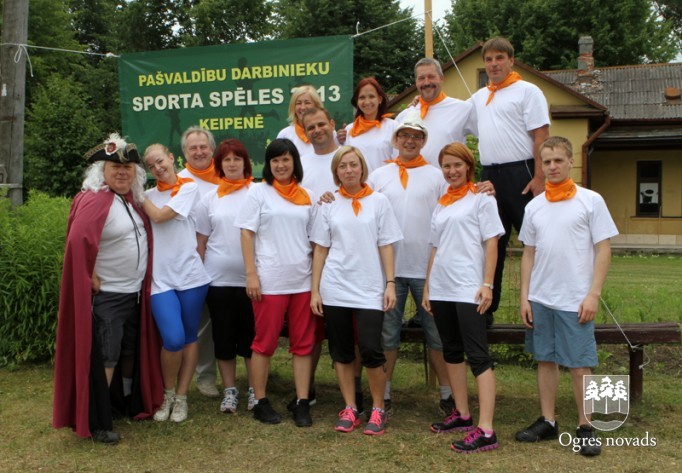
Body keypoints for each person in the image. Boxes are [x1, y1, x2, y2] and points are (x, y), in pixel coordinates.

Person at [53, 133, 163, 444]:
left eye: (127, 168)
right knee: (107, 355)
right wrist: (87, 273)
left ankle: (122, 401)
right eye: (115, 167)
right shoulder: (94, 200)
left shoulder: (130, 201)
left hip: (134, 293)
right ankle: (98, 419)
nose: (122, 172)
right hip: (109, 296)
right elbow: (77, 242)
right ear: (102, 171)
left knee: (129, 351)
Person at [516, 136, 618, 457]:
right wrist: (524, 297)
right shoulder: (534, 206)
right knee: (545, 359)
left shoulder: (591, 201)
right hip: (541, 298)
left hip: (576, 299)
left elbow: (604, 249)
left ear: (571, 162)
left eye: (558, 160)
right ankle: (548, 420)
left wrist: (593, 294)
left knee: (579, 365)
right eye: (546, 162)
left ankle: (586, 426)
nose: (552, 166)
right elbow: (528, 253)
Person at [310, 146, 402, 435]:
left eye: (353, 164)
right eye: (342, 166)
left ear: (362, 168)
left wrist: (390, 283)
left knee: (372, 349)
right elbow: (320, 249)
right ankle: (350, 407)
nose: (348, 170)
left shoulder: (379, 202)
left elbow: (386, 244)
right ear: (336, 172)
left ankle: (377, 409)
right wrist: (315, 291)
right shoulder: (328, 203)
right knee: (341, 351)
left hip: (369, 287)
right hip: (335, 286)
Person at [366, 113, 453, 415]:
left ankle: (447, 394)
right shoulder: (379, 175)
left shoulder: (436, 176)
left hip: (427, 270)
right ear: (396, 139)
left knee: (437, 335)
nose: (410, 141)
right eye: (404, 135)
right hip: (389, 271)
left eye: (416, 136)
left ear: (423, 142)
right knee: (388, 335)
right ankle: (385, 394)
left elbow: (451, 210)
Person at [422, 142, 504, 454]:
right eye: (446, 166)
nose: (452, 171)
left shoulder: (482, 199)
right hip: (442, 288)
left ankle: (486, 429)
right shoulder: (442, 204)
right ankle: (462, 413)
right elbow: (435, 247)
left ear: (469, 166)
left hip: (469, 288)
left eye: (457, 165)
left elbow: (492, 242)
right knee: (452, 351)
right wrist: (428, 287)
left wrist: (488, 284)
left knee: (478, 355)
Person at [466, 37, 550, 327]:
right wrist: (420, 102)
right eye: (488, 59)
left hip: (522, 173)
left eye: (499, 58)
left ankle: (540, 307)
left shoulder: (528, 91)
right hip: (490, 176)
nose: (494, 64)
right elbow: (451, 114)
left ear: (511, 61)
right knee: (491, 243)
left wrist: (539, 177)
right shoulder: (479, 97)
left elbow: (541, 135)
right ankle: (486, 310)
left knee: (535, 241)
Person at [236, 138, 317, 427]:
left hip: (302, 281)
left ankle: (302, 402)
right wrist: (251, 274)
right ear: (268, 165)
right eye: (275, 160)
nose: (281, 165)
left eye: (285, 159)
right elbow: (246, 233)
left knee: (303, 344)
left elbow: (315, 240)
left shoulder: (307, 195)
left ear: (295, 162)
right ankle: (260, 401)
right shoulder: (259, 192)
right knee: (264, 343)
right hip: (269, 281)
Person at [142, 144, 211, 423]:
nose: (157, 168)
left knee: (189, 338)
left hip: (191, 278)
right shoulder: (148, 196)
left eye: (160, 161)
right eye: (151, 166)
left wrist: (138, 194)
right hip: (161, 280)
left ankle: (182, 398)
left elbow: (160, 216)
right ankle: (167, 394)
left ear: (171, 158)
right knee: (173, 339)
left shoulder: (188, 187)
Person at [195, 139, 256, 414]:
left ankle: (255, 388)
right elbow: (201, 242)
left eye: (236, 159)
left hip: (250, 280)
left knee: (250, 337)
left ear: (245, 163)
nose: (232, 164)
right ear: (219, 165)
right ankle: (230, 391)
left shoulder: (258, 192)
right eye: (226, 160)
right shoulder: (209, 198)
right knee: (223, 336)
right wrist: (200, 277)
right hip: (217, 279)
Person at [178, 126, 222, 398]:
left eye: (203, 147)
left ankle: (232, 377)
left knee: (223, 322)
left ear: (212, 149)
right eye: (192, 148)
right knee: (201, 324)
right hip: (192, 263)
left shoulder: (226, 176)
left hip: (224, 262)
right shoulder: (178, 182)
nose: (198, 152)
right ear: (184, 152)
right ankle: (205, 377)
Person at [394, 58, 472, 167]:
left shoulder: (463, 109)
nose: (426, 82)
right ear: (416, 82)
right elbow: (394, 154)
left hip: (448, 178)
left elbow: (488, 136)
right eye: (421, 78)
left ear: (441, 78)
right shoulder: (403, 116)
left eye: (431, 77)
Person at [339, 77, 398, 173]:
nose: (367, 102)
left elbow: (399, 162)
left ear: (380, 99)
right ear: (357, 101)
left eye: (371, 96)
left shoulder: (393, 127)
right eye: (362, 97)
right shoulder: (349, 129)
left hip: (384, 182)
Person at [277, 85, 325, 156]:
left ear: (316, 106)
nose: (303, 107)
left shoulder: (327, 132)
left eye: (307, 103)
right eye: (298, 103)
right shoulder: (285, 135)